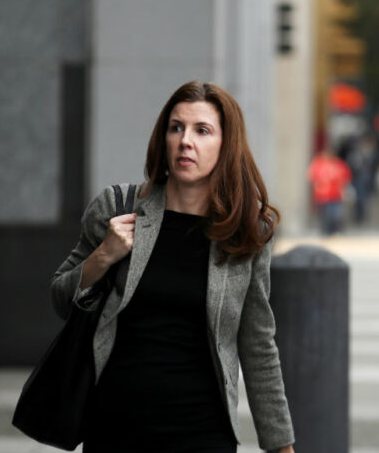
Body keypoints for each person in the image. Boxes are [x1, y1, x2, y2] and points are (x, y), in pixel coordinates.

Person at [52, 81, 295, 453]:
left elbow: (258, 343)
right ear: (163, 138)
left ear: (225, 145)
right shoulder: (117, 209)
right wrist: (103, 255)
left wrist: (281, 445)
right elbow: (60, 298)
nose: (185, 141)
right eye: (176, 127)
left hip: (203, 431)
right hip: (116, 426)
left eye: (202, 130)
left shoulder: (246, 232)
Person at [307, 147, 352, 235]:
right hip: (322, 195)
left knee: (336, 215)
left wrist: (344, 189)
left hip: (335, 195)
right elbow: (311, 176)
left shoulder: (339, 164)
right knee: (324, 215)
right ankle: (325, 231)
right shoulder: (318, 163)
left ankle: (335, 231)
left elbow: (346, 177)